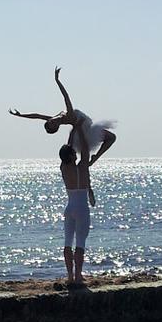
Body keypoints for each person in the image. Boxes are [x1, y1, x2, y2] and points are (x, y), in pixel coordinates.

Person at [9, 67, 116, 168]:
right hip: (81, 132)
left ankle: (94, 159)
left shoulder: (55, 118)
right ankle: (73, 169)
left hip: (88, 128)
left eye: (50, 122)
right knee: (69, 151)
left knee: (111, 138)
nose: (52, 121)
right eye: (53, 125)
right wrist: (57, 80)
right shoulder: (68, 115)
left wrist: (20, 115)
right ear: (57, 126)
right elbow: (66, 96)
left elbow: (37, 116)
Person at [59, 121, 93, 284]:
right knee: (80, 243)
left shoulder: (64, 169)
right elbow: (85, 149)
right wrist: (78, 129)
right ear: (73, 156)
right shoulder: (83, 167)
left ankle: (70, 276)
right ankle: (78, 276)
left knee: (67, 242)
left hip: (69, 207)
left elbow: (68, 147)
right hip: (81, 208)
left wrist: (73, 130)